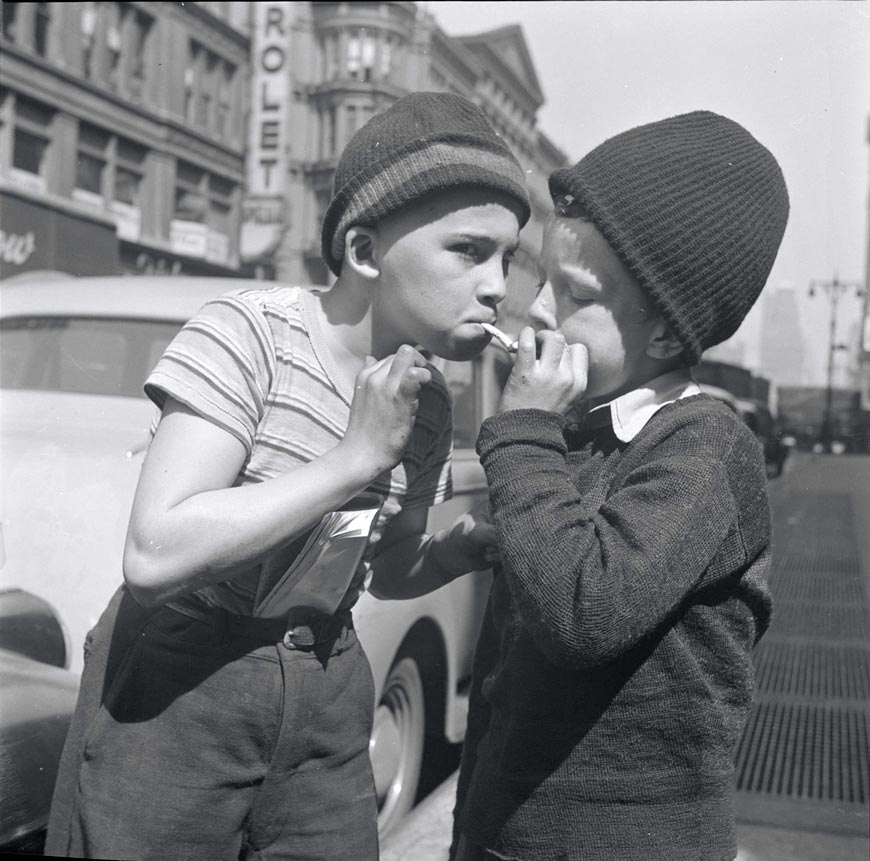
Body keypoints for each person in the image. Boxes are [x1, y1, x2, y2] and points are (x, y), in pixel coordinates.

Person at [45, 91, 530, 861]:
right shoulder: (251, 334)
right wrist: (353, 461)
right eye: (469, 251)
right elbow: (154, 555)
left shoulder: (428, 403)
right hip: (184, 680)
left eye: (509, 257)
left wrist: (457, 550)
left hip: (327, 680)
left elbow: (386, 564)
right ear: (366, 252)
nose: (499, 284)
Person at [450, 111, 790, 861]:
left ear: (666, 335)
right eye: (538, 274)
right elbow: (506, 684)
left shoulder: (706, 448)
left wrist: (523, 434)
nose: (535, 304)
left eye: (571, 291)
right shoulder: (575, 434)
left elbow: (586, 610)